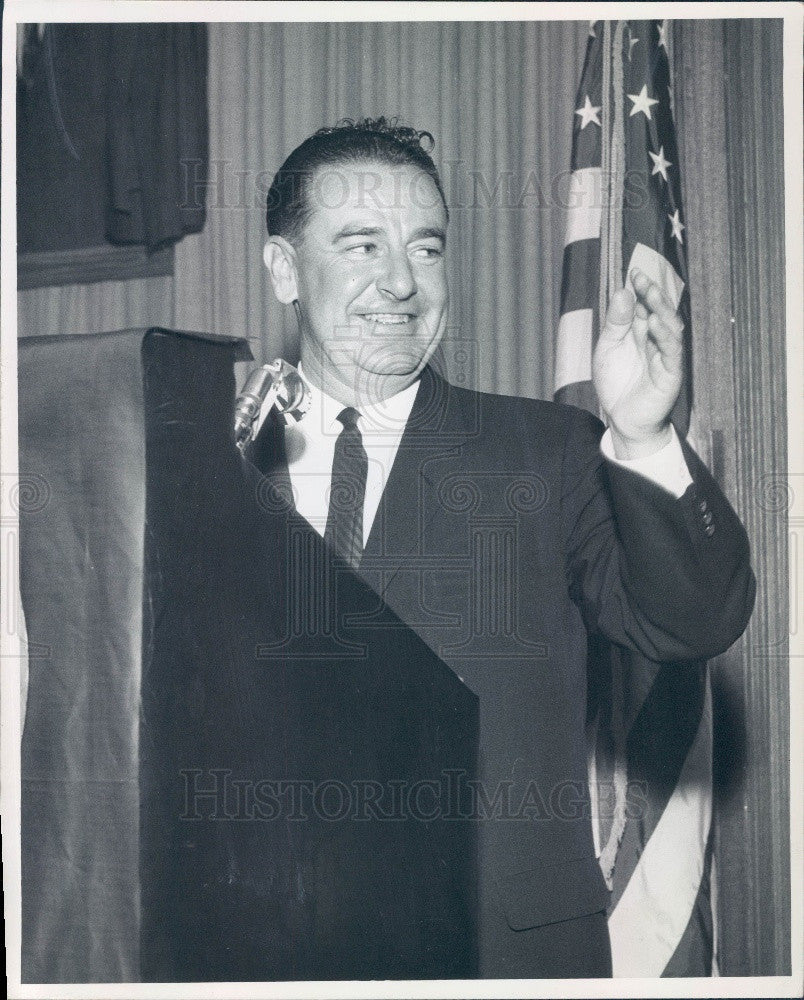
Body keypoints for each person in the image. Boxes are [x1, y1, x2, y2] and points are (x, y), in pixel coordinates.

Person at [252, 118, 755, 978]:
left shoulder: (551, 453)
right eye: (363, 245)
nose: (403, 282)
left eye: (427, 247)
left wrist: (640, 437)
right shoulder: (218, 468)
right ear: (286, 271)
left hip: (499, 960)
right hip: (265, 952)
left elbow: (697, 619)